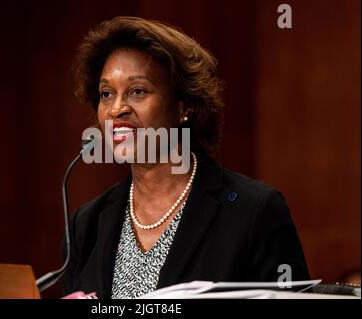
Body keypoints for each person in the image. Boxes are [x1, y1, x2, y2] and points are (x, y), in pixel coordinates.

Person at [62, 16, 310, 299]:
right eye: (106, 94)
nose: (117, 109)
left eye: (137, 91)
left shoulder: (253, 211)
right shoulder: (87, 224)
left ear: (185, 106)